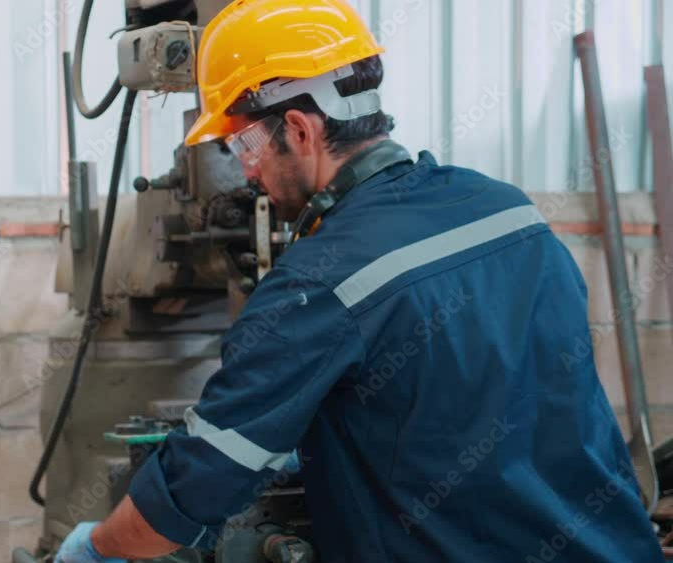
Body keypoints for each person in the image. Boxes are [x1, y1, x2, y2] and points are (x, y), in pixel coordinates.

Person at [56, 0, 665, 561]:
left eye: (243, 142)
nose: (244, 170)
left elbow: (184, 501)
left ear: (299, 129)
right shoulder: (509, 210)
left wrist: (99, 546)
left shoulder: (318, 285)